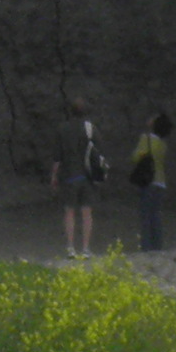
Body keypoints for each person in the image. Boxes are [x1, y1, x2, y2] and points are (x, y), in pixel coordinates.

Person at [60, 110, 106, 260]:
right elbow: (99, 150)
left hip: (70, 176)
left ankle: (70, 248)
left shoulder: (63, 129)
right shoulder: (90, 128)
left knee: (69, 212)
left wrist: (54, 176)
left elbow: (57, 155)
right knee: (86, 213)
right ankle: (86, 248)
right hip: (87, 176)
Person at [127, 108, 173, 254]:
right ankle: (157, 246)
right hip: (161, 182)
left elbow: (136, 157)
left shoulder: (145, 139)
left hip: (148, 181)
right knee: (156, 215)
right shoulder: (163, 143)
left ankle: (146, 247)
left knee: (145, 215)